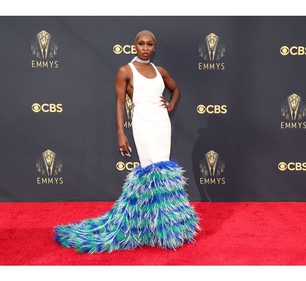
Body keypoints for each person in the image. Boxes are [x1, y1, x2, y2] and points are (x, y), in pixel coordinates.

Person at [53, 30, 200, 253]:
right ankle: (150, 225)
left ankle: (158, 226)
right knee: (151, 170)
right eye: (141, 43)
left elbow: (175, 89)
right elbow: (120, 104)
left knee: (163, 173)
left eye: (149, 44)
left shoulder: (160, 71)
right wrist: (121, 133)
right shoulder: (125, 71)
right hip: (142, 123)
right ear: (134, 46)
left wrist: (170, 105)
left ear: (154, 47)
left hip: (162, 123)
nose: (145, 48)